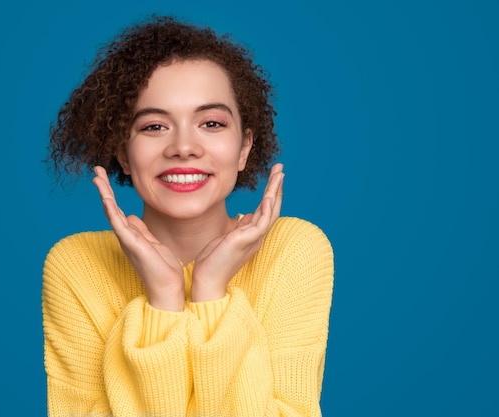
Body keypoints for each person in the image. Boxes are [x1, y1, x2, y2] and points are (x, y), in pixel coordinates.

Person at [43, 15, 334, 417]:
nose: (184, 146)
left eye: (211, 123)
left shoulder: (293, 251)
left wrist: (209, 290)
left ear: (244, 146)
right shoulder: (77, 266)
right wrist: (163, 300)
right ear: (123, 153)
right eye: (155, 125)